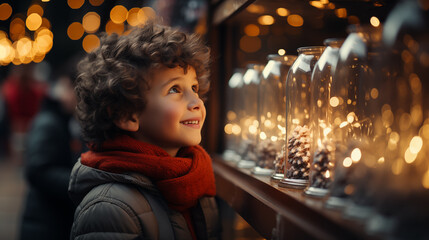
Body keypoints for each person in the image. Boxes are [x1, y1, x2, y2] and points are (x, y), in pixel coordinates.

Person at [68, 21, 220, 240]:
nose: (196, 101)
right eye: (175, 89)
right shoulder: (111, 209)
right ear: (127, 115)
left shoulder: (196, 183)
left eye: (194, 87)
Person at [19, 74, 85, 240]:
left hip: (48, 220)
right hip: (44, 222)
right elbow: (37, 170)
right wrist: (79, 182)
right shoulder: (49, 122)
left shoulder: (63, 120)